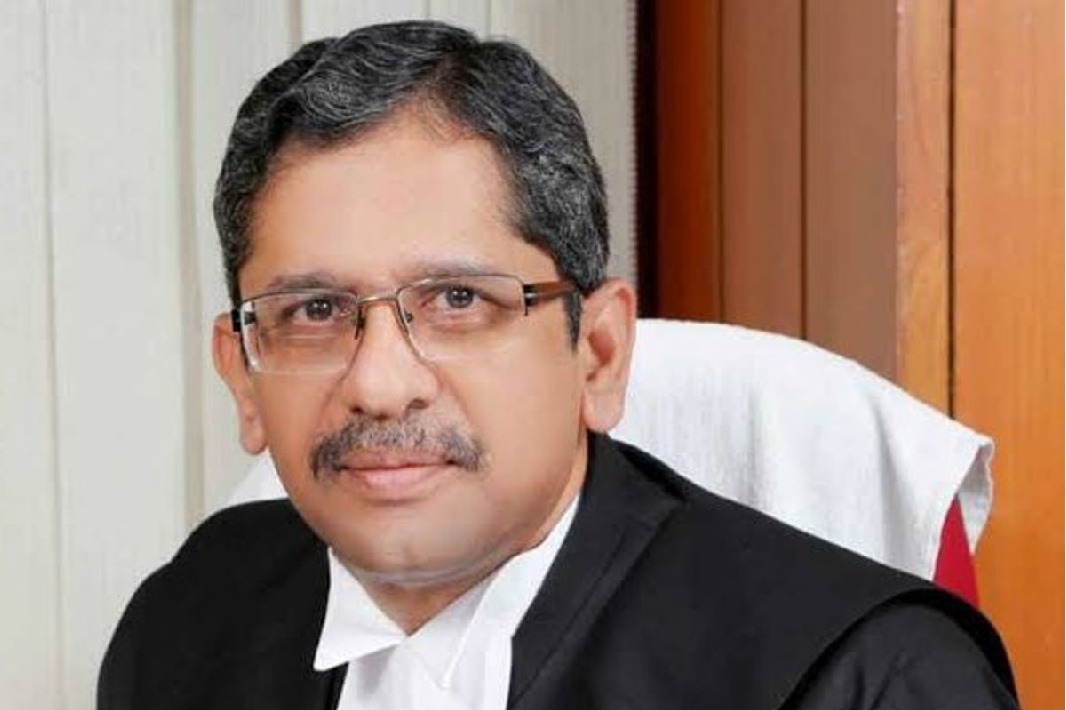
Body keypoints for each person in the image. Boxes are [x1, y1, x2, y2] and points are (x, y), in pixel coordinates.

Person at [97, 20, 1017, 710]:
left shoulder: (872, 678)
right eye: (315, 311)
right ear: (242, 376)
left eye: (458, 300)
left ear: (599, 352)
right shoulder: (184, 623)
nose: (380, 384)